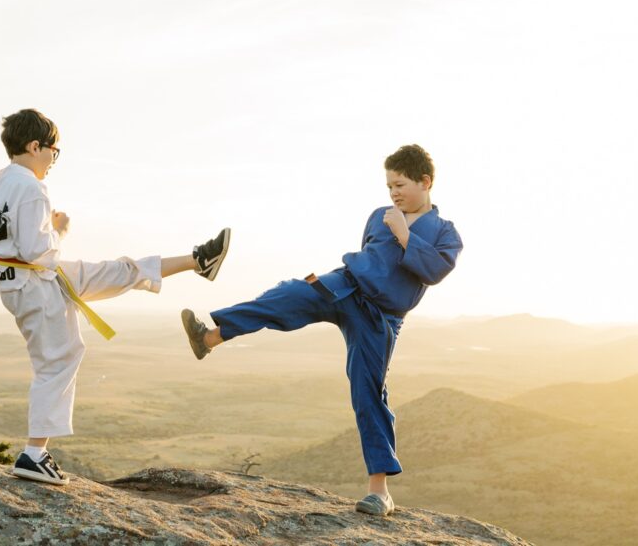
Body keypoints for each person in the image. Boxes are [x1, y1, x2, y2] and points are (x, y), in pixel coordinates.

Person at [0, 108, 229, 486]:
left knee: (118, 270)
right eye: (53, 151)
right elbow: (38, 251)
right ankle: (34, 453)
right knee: (58, 360)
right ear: (34, 146)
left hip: (30, 282)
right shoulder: (31, 188)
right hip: (37, 285)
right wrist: (60, 229)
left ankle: (199, 260)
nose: (52, 160)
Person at [181, 144, 462, 516]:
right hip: (344, 285)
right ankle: (210, 337)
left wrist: (406, 236)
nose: (393, 192)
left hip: (380, 316)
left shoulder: (444, 232)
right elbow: (369, 255)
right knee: (289, 293)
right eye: (389, 185)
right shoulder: (380, 215)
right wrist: (391, 225)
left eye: (401, 184)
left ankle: (379, 491)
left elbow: (436, 271)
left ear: (425, 182)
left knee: (368, 390)